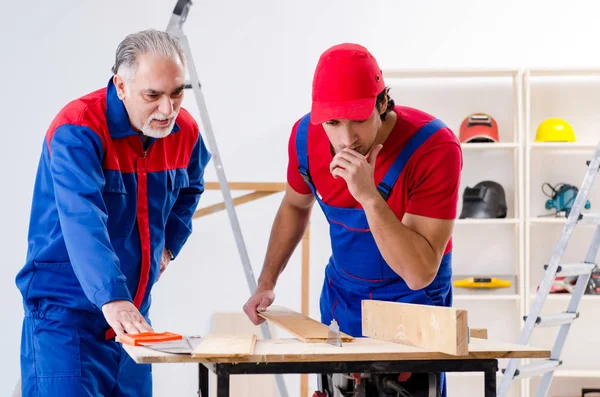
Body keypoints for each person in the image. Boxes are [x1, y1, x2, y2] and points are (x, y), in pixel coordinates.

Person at [243, 43, 462, 396]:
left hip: (413, 310)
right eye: (333, 123)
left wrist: (369, 197)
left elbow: (419, 273)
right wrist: (266, 282)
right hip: (342, 302)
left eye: (359, 120)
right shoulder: (305, 138)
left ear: (382, 103)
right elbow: (295, 206)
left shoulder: (433, 147)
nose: (346, 140)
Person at [15, 29, 211, 396]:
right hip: (65, 318)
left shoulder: (184, 132)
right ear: (120, 86)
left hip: (133, 319)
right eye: (152, 95)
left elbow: (191, 188)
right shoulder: (79, 128)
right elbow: (82, 218)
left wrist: (168, 246)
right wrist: (112, 297)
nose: (167, 109)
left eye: (177, 92)